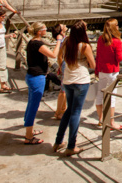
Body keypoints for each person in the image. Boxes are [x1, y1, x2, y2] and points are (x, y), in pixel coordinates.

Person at [53, 20, 95, 156]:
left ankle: (58, 141)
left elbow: (60, 58)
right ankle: (71, 146)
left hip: (68, 79)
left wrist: (62, 68)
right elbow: (93, 65)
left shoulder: (66, 42)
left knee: (68, 111)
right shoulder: (84, 46)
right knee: (76, 113)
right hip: (81, 80)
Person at [23, 22, 65, 145]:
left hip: (32, 75)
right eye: (44, 28)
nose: (46, 30)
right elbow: (53, 54)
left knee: (31, 104)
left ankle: (29, 130)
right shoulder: (37, 44)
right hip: (37, 77)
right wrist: (58, 41)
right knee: (33, 107)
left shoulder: (32, 42)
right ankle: (28, 136)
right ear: (39, 31)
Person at [95, 18, 122, 130]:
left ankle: (101, 119)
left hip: (102, 70)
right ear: (114, 27)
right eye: (117, 25)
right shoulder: (117, 41)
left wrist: (97, 70)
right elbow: (119, 58)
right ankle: (111, 122)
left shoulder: (100, 39)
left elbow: (98, 55)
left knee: (100, 95)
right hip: (112, 71)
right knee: (112, 96)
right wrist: (121, 48)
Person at [50, 25, 67, 120]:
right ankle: (59, 111)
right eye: (62, 26)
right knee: (63, 89)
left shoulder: (63, 38)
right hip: (64, 63)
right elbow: (59, 55)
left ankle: (62, 109)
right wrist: (61, 66)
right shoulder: (61, 39)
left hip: (63, 63)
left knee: (65, 89)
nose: (64, 25)